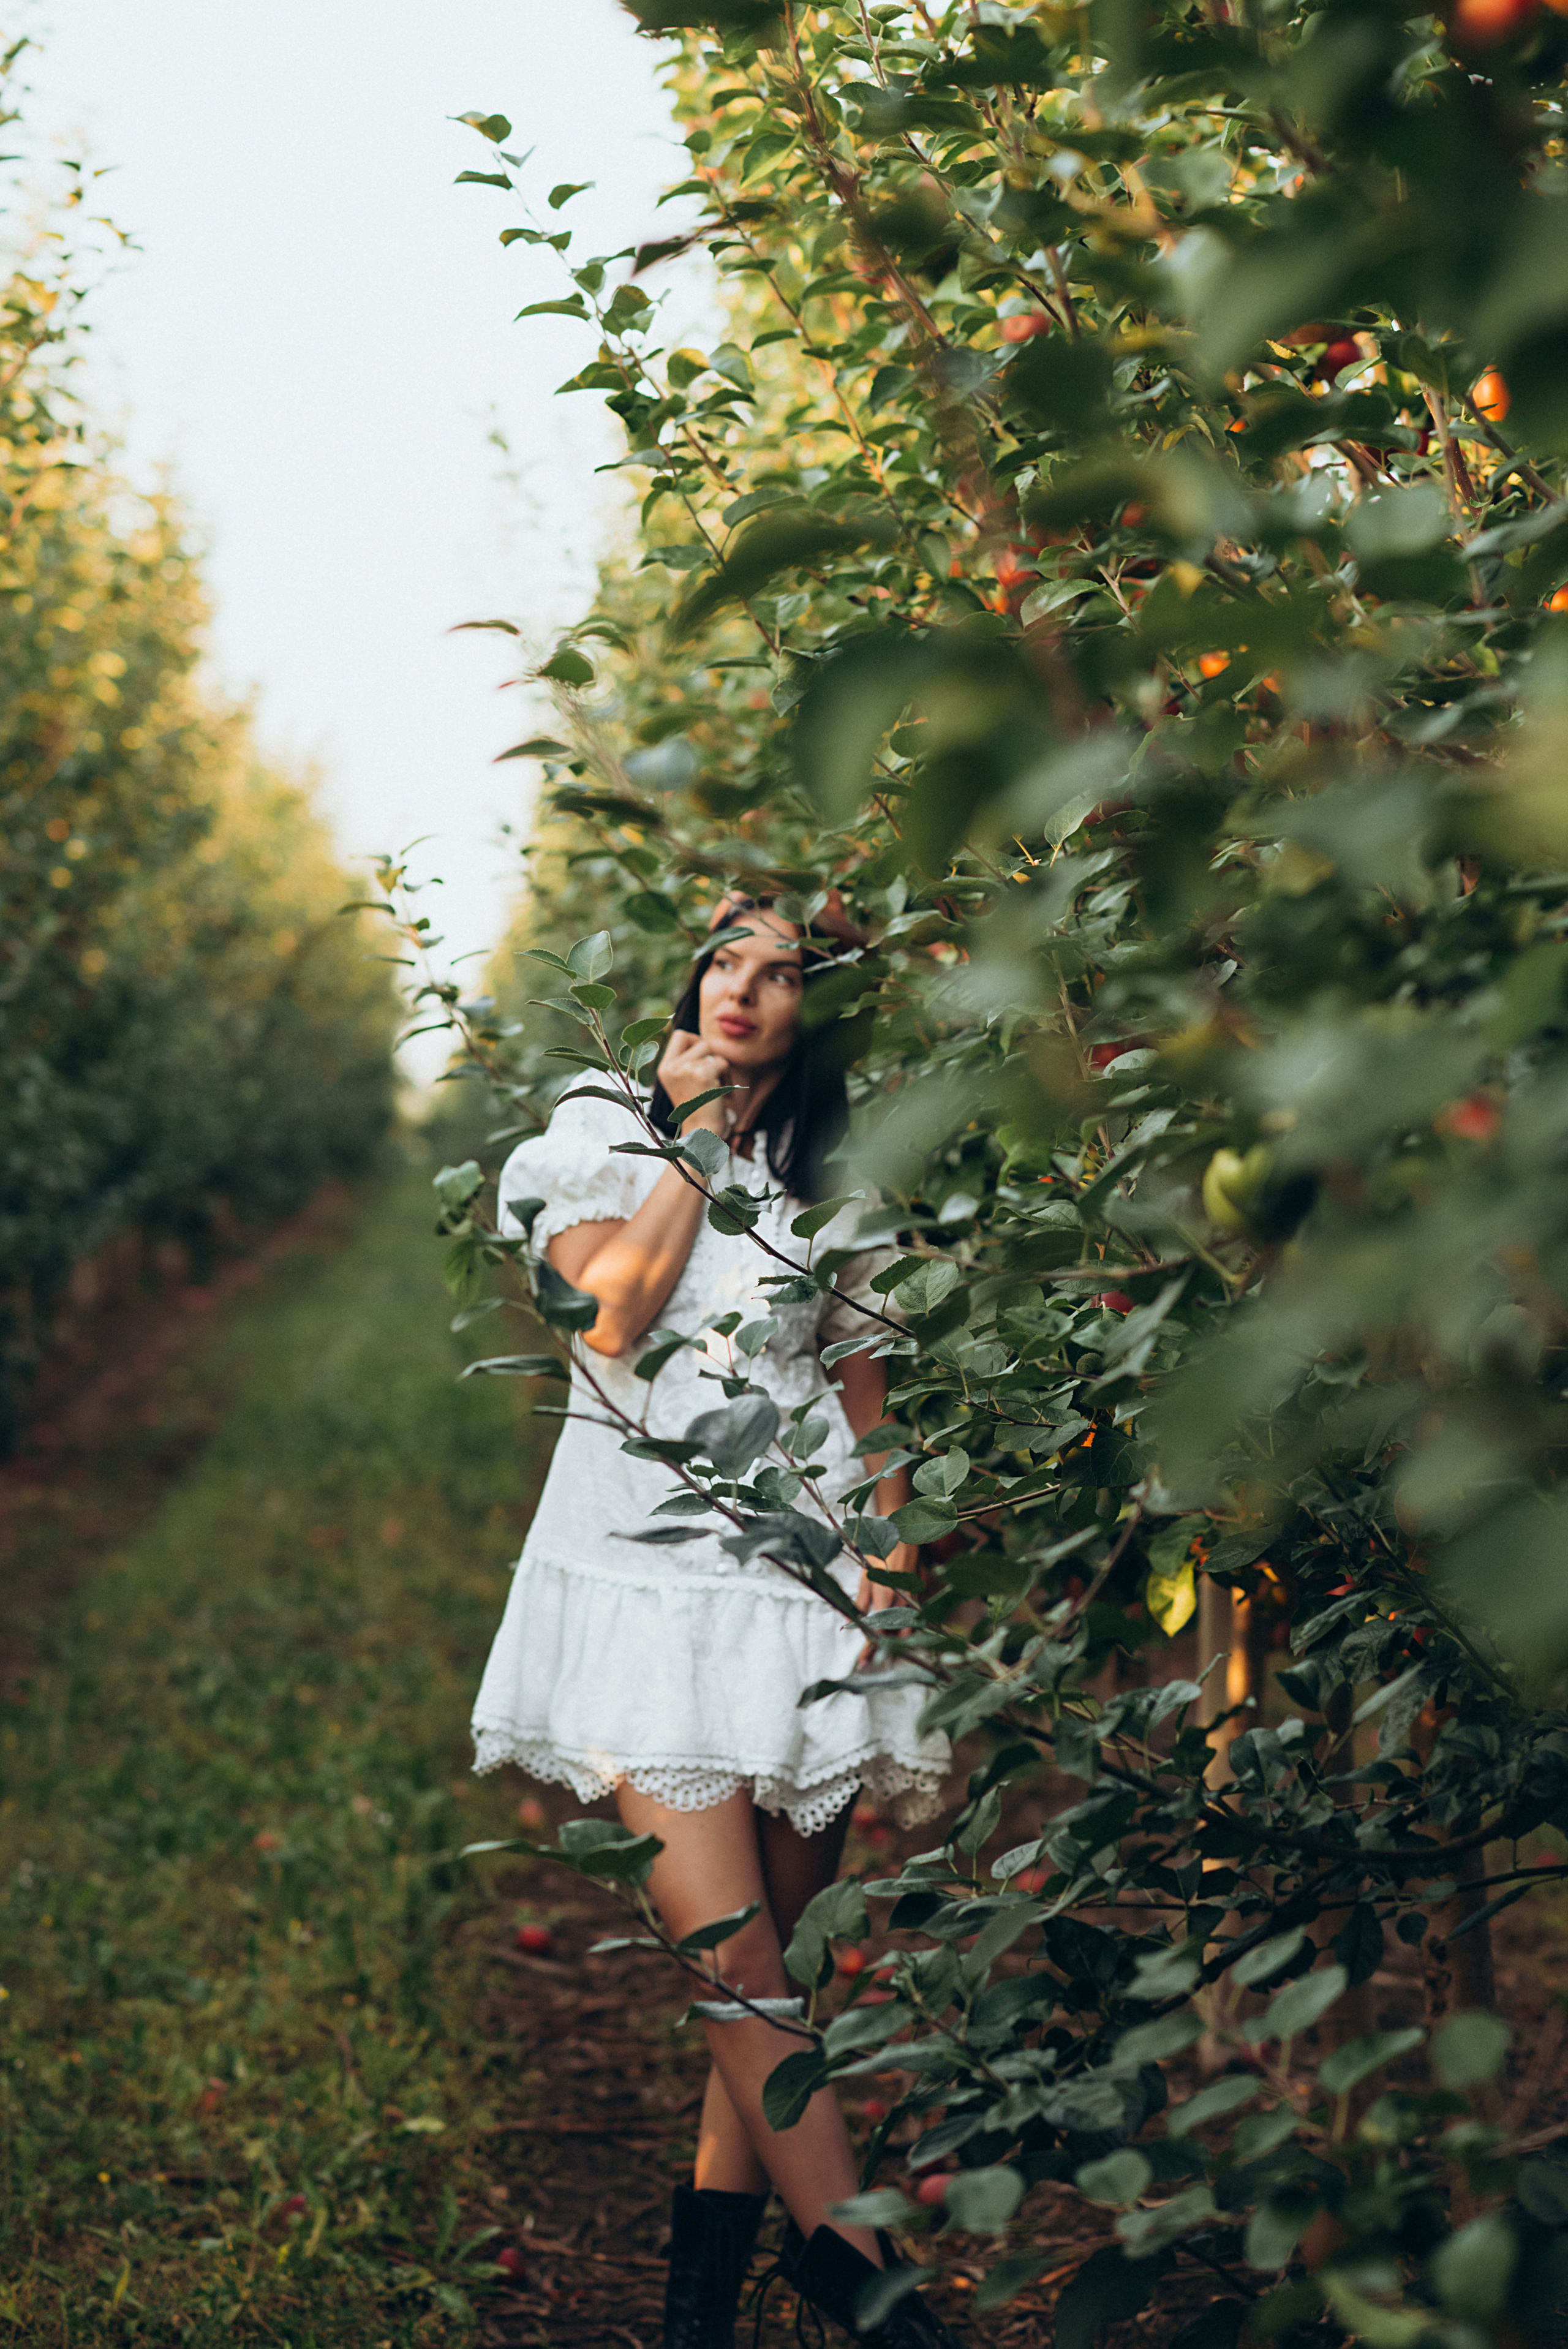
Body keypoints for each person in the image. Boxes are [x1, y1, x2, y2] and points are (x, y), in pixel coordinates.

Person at [471, 897, 958, 2348]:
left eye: (785, 973)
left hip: (799, 1589)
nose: (744, 990)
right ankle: (858, 2277)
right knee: (734, 1963)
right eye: (725, 961)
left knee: (777, 1977)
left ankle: (698, 2315)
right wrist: (685, 1136)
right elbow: (608, 1317)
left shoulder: (836, 1167)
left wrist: (890, 1558)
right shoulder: (594, 1125)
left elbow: (866, 1395)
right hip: (640, 1583)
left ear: (821, 1010)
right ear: (689, 980)